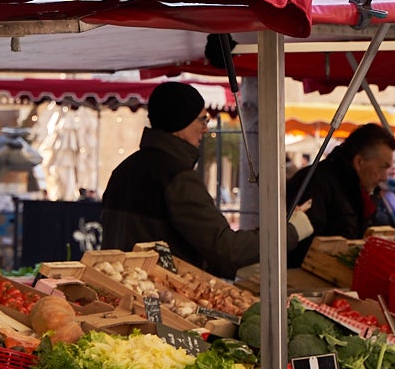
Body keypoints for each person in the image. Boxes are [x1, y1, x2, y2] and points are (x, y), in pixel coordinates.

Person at [101, 81, 274, 277]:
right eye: (202, 120)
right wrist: (287, 233)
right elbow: (224, 247)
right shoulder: (177, 176)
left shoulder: (123, 170)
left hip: (123, 284)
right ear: (180, 122)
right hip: (162, 294)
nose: (205, 129)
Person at [290, 123, 395, 242]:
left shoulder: (365, 193)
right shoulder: (315, 183)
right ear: (359, 162)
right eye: (383, 167)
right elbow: (307, 247)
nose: (384, 177)